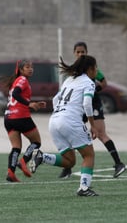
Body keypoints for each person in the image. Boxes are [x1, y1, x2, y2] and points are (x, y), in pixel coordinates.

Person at [30, 55, 100, 196]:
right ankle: (84, 188)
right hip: (70, 120)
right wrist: (93, 125)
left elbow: (56, 99)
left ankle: (42, 157)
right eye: (95, 67)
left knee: (69, 161)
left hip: (54, 120)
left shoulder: (69, 80)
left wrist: (61, 114)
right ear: (90, 69)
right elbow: (87, 103)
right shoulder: (89, 82)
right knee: (89, 155)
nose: (97, 70)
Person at [58, 41, 127, 179]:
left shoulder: (91, 69)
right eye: (78, 52)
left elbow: (104, 83)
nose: (80, 54)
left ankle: (119, 163)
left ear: (86, 53)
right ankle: (67, 167)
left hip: (92, 103)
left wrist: (94, 91)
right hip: (78, 105)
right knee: (70, 132)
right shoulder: (73, 71)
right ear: (74, 53)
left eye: (83, 52)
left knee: (101, 133)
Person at [1, 59, 46, 182]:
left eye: (31, 67)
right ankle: (23, 161)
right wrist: (29, 104)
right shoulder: (22, 79)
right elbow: (16, 94)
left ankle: (11, 172)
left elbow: (16, 98)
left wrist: (34, 104)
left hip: (8, 118)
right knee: (36, 142)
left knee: (16, 147)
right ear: (21, 70)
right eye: (27, 67)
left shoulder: (16, 81)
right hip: (20, 117)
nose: (31, 69)